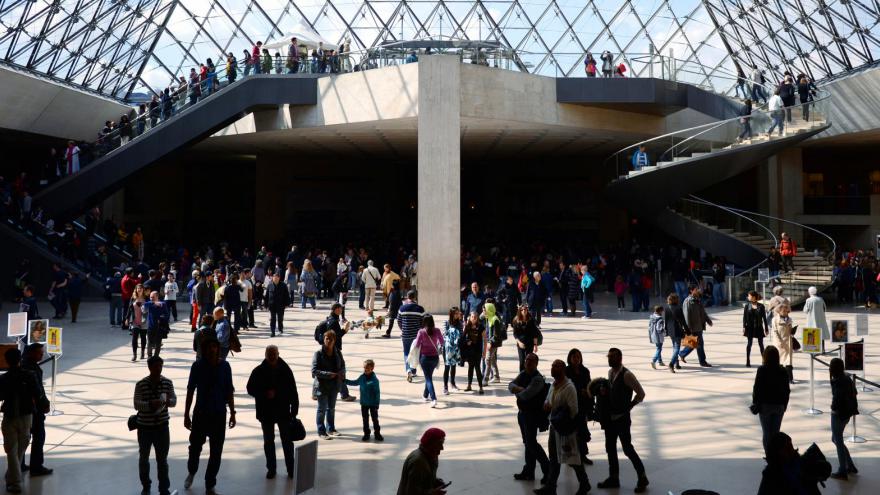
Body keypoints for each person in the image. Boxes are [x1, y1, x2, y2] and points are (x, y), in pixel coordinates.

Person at [183, 337, 236, 493]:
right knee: (195, 447)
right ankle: (192, 471)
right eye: (209, 347)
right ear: (204, 349)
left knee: (216, 450)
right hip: (201, 413)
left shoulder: (225, 366)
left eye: (215, 346)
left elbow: (229, 390)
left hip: (219, 414)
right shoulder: (197, 366)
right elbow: (190, 390)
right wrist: (186, 414)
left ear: (218, 349)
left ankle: (210, 483)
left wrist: (233, 413)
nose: (212, 349)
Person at [593, 348, 648, 493]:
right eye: (609, 357)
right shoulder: (610, 373)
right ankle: (614, 477)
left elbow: (641, 393)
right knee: (610, 448)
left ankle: (642, 477)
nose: (610, 359)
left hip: (622, 419)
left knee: (627, 449)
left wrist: (629, 406)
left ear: (620, 358)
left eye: (613, 357)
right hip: (610, 419)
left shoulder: (627, 375)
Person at [535, 359, 590, 495]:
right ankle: (551, 486)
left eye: (557, 366)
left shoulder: (569, 387)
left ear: (563, 370)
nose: (553, 368)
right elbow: (548, 400)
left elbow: (574, 411)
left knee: (572, 459)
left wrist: (555, 408)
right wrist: (547, 405)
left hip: (566, 430)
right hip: (554, 427)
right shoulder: (554, 385)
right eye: (552, 366)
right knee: (554, 458)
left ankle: (585, 484)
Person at [247, 345, 299, 479]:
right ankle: (272, 468)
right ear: (265, 355)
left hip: (282, 411)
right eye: (269, 354)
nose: (271, 356)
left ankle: (290, 468)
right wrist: (264, 394)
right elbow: (250, 388)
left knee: (286, 441)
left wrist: (294, 408)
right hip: (267, 412)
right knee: (269, 441)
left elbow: (293, 388)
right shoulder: (258, 371)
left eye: (274, 354)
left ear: (278, 354)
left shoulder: (285, 370)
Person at [0, 348, 42, 494]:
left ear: (6, 361)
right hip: (26, 417)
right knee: (19, 450)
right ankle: (15, 482)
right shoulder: (29, 376)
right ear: (19, 359)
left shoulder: (3, 378)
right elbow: (38, 393)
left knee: (12, 451)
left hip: (9, 417)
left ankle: (11, 478)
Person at [133, 355, 177, 495]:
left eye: (160, 366)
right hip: (145, 428)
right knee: (144, 459)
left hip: (162, 427)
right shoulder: (141, 384)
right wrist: (151, 404)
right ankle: (146, 485)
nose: (158, 369)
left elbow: (174, 400)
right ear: (149, 367)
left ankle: (164, 488)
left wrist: (168, 401)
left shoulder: (167, 383)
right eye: (155, 366)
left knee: (162, 460)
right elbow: (136, 404)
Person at [509, 353, 549, 483]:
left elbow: (526, 395)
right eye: (527, 360)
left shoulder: (538, 379)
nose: (528, 362)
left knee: (531, 443)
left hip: (532, 415)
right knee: (527, 443)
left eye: (531, 361)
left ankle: (547, 469)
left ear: (536, 363)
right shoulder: (523, 374)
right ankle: (529, 470)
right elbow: (510, 385)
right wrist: (520, 389)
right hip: (522, 414)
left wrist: (517, 391)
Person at [19, 344, 51, 477]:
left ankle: (19, 464)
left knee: (23, 438)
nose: (42, 355)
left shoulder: (22, 364)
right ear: (32, 353)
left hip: (22, 409)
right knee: (39, 436)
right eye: (39, 353)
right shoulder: (32, 370)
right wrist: (45, 404)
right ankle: (36, 466)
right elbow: (38, 391)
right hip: (34, 410)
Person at [751, 346, 790, 455]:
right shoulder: (783, 370)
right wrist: (785, 405)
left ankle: (769, 457)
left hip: (765, 406)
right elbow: (787, 390)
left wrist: (755, 403)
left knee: (766, 434)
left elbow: (757, 388)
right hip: (779, 406)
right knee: (775, 433)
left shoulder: (762, 370)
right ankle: (776, 456)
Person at [828, 357, 859, 480]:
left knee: (838, 441)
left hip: (838, 414)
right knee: (836, 439)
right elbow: (854, 393)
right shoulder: (847, 378)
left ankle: (843, 470)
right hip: (847, 413)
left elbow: (837, 399)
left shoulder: (837, 381)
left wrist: (833, 407)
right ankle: (850, 465)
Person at [312, 330, 345, 439]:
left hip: (334, 385)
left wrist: (342, 373)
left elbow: (343, 365)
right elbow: (314, 371)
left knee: (331, 408)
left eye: (331, 339)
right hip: (322, 386)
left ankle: (331, 428)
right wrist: (328, 374)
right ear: (324, 339)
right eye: (327, 338)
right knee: (321, 409)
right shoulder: (318, 353)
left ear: (335, 340)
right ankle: (321, 431)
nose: (329, 341)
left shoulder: (338, 352)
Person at [397, 427, 447, 495]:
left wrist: (435, 481)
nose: (442, 448)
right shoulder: (418, 462)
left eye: (442, 443)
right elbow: (411, 492)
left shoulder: (432, 455)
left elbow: (423, 479)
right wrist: (432, 493)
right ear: (430, 444)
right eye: (439, 443)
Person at [566, 349, 594, 466]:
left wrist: (590, 404)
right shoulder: (566, 371)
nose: (576, 359)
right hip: (570, 405)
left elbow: (590, 387)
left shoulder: (585, 371)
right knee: (571, 431)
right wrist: (579, 391)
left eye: (578, 357)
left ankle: (582, 455)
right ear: (570, 358)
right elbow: (566, 386)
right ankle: (571, 456)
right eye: (574, 357)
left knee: (582, 430)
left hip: (582, 405)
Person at [344, 359, 383, 442]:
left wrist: (377, 403)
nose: (365, 370)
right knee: (365, 419)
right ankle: (366, 433)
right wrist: (345, 381)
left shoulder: (374, 380)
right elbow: (354, 382)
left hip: (373, 404)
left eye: (367, 368)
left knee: (375, 419)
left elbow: (377, 393)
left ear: (372, 369)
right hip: (364, 403)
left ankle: (377, 433)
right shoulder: (362, 377)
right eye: (364, 368)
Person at [678, 285, 713, 367]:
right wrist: (688, 329)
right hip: (693, 327)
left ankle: (682, 354)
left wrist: (708, 320)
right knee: (697, 344)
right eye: (696, 289)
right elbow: (686, 316)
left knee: (695, 343)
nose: (698, 290)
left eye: (698, 289)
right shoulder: (688, 301)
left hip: (699, 326)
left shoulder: (698, 300)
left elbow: (703, 312)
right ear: (691, 291)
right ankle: (702, 361)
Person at [414, 315, 444, 408]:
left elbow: (417, 345)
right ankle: (425, 395)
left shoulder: (421, 332)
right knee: (429, 376)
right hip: (435, 358)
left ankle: (434, 398)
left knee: (428, 379)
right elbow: (442, 342)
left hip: (425, 358)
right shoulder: (437, 330)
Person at [399, 290, 426, 381]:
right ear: (415, 297)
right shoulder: (420, 309)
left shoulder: (402, 308)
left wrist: (403, 329)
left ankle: (408, 370)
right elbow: (423, 322)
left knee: (406, 352)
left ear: (407, 296)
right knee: (416, 352)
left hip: (405, 334)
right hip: (416, 335)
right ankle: (413, 371)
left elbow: (399, 321)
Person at [743, 291, 770, 367]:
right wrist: (744, 327)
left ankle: (764, 361)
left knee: (761, 344)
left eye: (749, 296)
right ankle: (748, 360)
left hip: (758, 327)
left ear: (754, 297)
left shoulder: (761, 306)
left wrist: (766, 329)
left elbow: (764, 318)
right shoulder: (747, 305)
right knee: (749, 344)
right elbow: (744, 317)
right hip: (750, 327)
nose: (748, 297)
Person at [663, 293, 688, 373]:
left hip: (670, 331)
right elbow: (683, 321)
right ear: (676, 299)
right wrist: (688, 330)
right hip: (677, 330)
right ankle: (671, 364)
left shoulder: (666, 308)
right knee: (677, 348)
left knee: (674, 346)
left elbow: (666, 320)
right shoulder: (678, 308)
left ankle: (676, 364)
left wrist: (666, 330)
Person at [771, 302, 795, 383]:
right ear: (779, 311)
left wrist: (792, 332)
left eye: (786, 311)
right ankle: (779, 377)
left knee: (789, 361)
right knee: (780, 361)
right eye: (784, 311)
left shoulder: (790, 319)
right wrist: (779, 342)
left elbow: (791, 330)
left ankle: (790, 378)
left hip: (788, 342)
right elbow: (775, 332)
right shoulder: (774, 320)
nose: (785, 312)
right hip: (779, 343)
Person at [461, 311, 485, 394]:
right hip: (470, 351)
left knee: (478, 368)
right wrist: (467, 342)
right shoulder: (467, 326)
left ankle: (480, 387)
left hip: (478, 351)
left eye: (475, 316)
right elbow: (463, 338)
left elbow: (485, 339)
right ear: (470, 318)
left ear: (477, 318)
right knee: (470, 368)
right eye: (472, 316)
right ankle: (469, 385)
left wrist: (484, 352)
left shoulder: (481, 327)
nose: (474, 318)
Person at [512, 305, 540, 372]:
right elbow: (515, 334)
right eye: (522, 310)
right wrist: (519, 343)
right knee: (522, 361)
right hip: (520, 343)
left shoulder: (531, 320)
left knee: (529, 361)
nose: (524, 311)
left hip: (530, 343)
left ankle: (529, 374)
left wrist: (535, 345)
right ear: (520, 311)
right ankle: (522, 375)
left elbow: (534, 333)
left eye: (525, 309)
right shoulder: (516, 320)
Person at [480, 302, 503, 385]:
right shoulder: (489, 318)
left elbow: (496, 334)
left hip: (493, 343)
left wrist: (490, 342)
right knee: (492, 360)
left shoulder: (495, 319)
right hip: (490, 342)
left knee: (488, 360)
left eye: (484, 311)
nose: (483, 313)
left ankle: (485, 379)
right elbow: (479, 318)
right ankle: (496, 377)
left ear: (489, 310)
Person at [143, 291, 170, 358]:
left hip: (159, 327)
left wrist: (160, 319)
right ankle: (149, 356)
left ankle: (156, 356)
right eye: (150, 297)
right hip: (150, 326)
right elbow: (144, 305)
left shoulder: (163, 304)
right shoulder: (150, 304)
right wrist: (154, 302)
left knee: (158, 343)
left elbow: (167, 315)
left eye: (153, 297)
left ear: (157, 297)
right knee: (149, 342)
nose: (151, 298)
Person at [442, 308, 463, 394]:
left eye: (458, 313)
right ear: (452, 314)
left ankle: (453, 383)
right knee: (447, 367)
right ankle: (445, 387)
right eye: (456, 313)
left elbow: (461, 334)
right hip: (447, 348)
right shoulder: (447, 323)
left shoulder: (460, 323)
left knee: (453, 366)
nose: (458, 315)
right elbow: (444, 334)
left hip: (455, 348)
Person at [265, 272, 289, 337]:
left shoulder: (283, 285)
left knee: (280, 318)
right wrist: (265, 305)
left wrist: (287, 303)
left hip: (280, 305)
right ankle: (272, 332)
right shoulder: (269, 285)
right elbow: (267, 295)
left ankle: (280, 329)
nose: (275, 279)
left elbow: (286, 295)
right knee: (272, 319)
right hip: (272, 305)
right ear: (272, 278)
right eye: (274, 277)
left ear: (279, 278)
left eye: (276, 278)